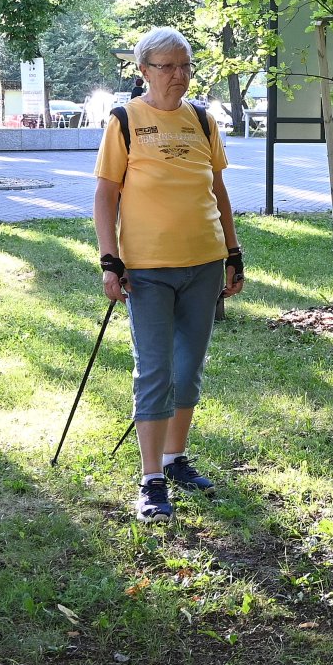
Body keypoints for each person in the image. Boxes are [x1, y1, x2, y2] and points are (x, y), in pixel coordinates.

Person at [94, 28, 245, 522]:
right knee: (156, 368)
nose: (178, 75)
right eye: (166, 66)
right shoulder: (124, 121)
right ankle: (151, 479)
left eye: (184, 65)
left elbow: (218, 191)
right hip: (148, 269)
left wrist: (232, 251)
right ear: (143, 72)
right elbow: (105, 196)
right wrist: (109, 259)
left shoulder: (202, 119)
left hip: (203, 263)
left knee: (188, 367)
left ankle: (176, 459)